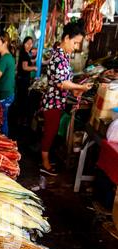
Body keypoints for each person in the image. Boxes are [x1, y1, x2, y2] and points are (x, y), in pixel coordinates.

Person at [40, 21, 92, 176]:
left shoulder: (63, 55)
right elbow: (62, 83)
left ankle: (46, 158)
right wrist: (79, 88)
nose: (76, 47)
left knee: (52, 131)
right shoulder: (59, 57)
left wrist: (74, 92)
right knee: (50, 132)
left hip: (57, 100)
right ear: (67, 38)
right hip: (52, 102)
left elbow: (63, 82)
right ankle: (44, 163)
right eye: (75, 43)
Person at [16, 36, 37, 124]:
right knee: (22, 99)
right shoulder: (25, 54)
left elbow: (30, 61)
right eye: (27, 43)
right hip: (23, 80)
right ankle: (20, 119)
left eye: (31, 43)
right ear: (24, 44)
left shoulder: (25, 53)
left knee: (21, 98)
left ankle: (19, 118)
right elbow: (25, 67)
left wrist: (40, 61)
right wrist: (34, 68)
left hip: (22, 79)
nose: (29, 45)